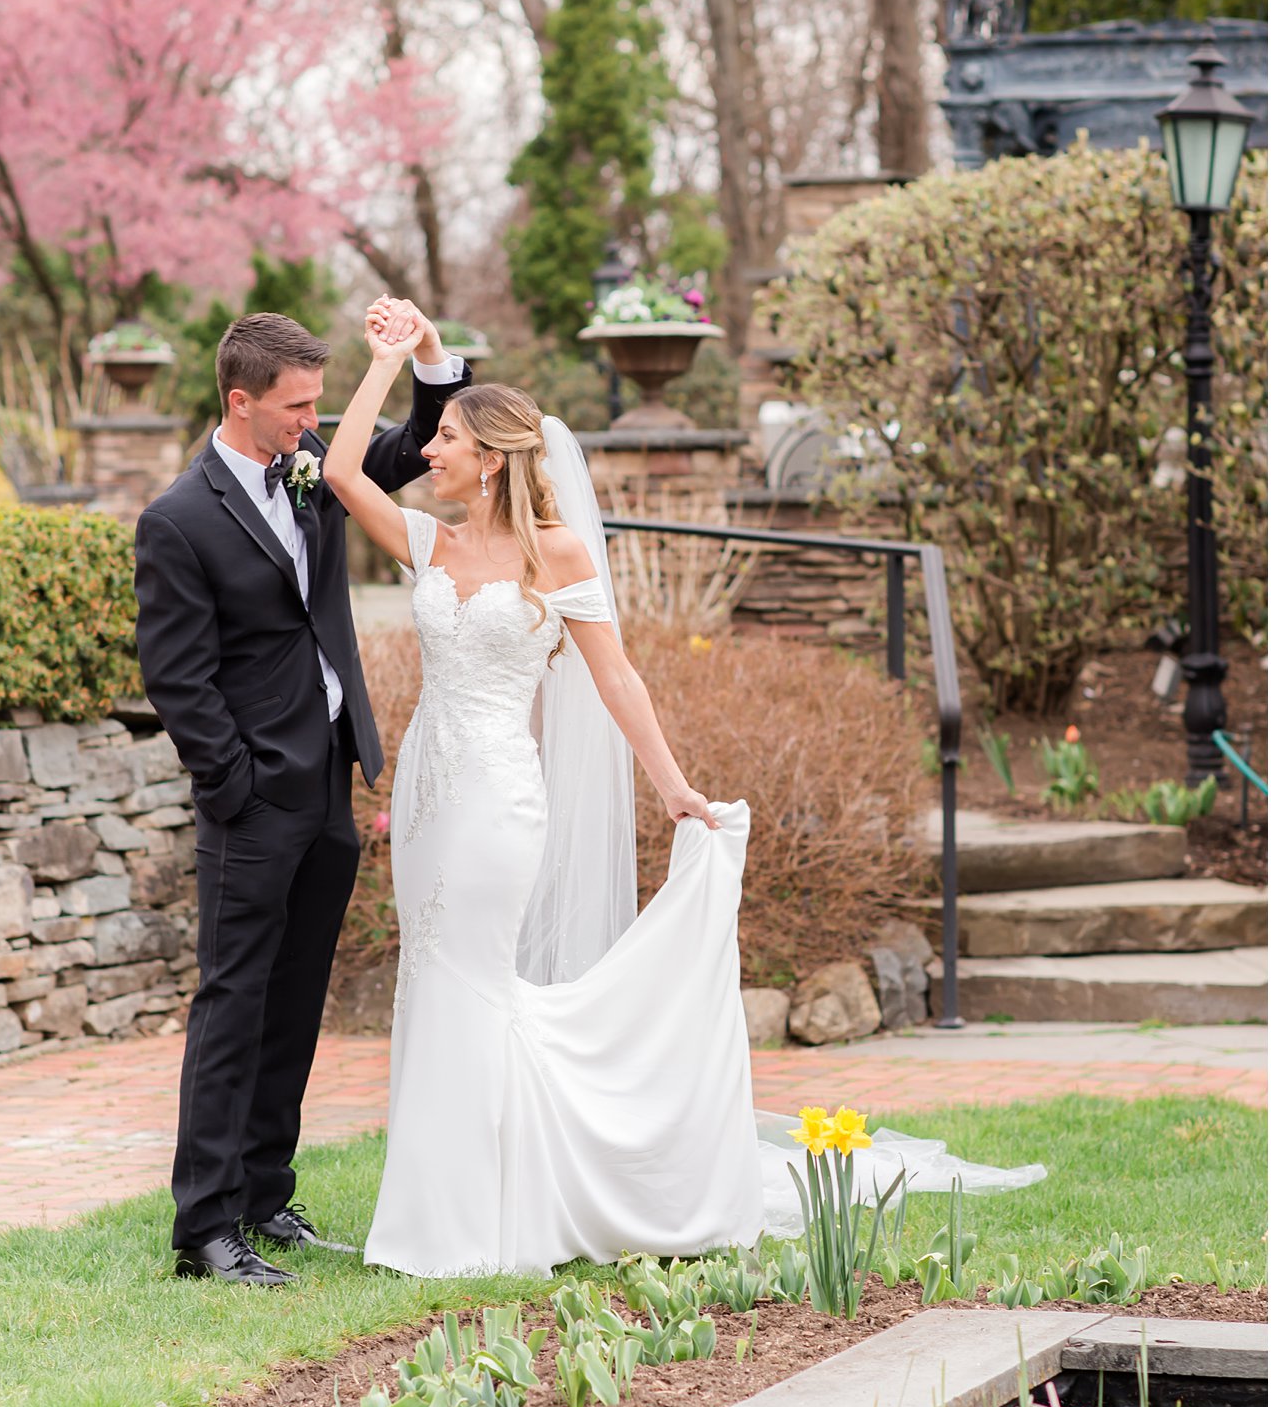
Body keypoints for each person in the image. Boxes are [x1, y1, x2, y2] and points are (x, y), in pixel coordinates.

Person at [324, 314, 1043, 1279]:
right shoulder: (431, 541)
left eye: (446, 437)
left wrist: (675, 789)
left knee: (472, 982)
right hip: (425, 797)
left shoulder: (560, 556)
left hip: (498, 796)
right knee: (433, 980)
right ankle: (440, 1208)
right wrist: (386, 364)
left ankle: (490, 1213)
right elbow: (340, 474)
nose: (430, 450)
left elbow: (618, 681)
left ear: (492, 459)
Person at [134, 305, 471, 1284]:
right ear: (238, 402)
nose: (308, 420)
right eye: (294, 407)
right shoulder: (178, 519)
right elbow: (180, 682)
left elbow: (408, 449)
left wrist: (431, 359)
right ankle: (205, 1228)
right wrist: (234, 786)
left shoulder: (315, 463)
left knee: (294, 1000)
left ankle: (263, 1196)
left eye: (317, 404)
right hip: (252, 798)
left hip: (330, 775)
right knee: (233, 1001)